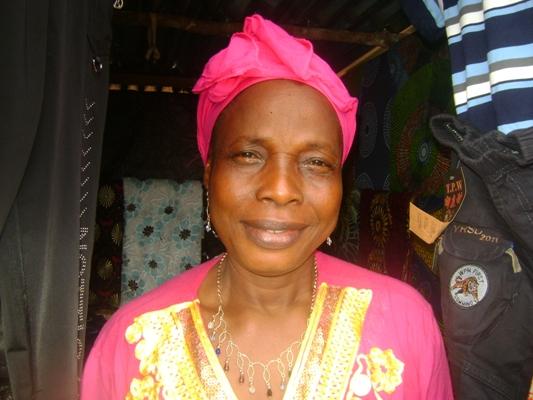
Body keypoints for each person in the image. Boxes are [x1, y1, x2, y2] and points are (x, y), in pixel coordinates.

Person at [81, 14, 453, 399]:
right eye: (248, 155)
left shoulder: (406, 324)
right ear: (209, 171)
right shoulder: (128, 345)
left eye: (316, 162)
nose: (280, 190)